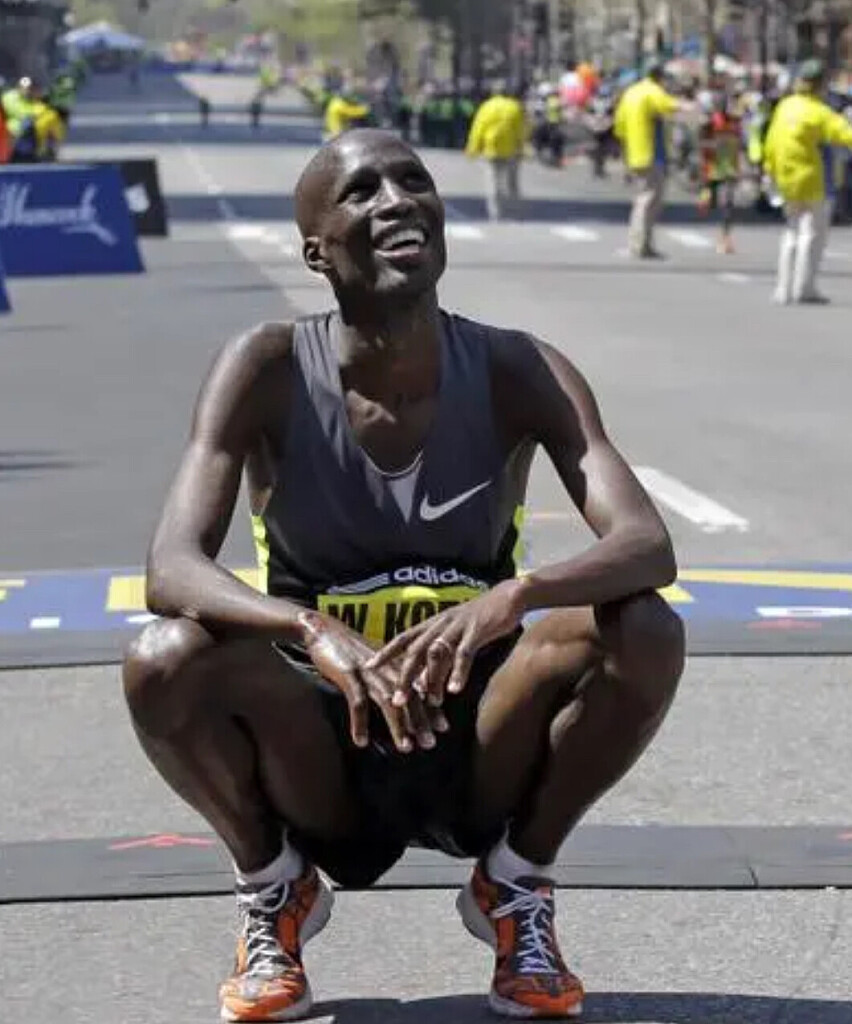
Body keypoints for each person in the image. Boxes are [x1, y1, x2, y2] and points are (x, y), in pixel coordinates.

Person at [122, 128, 685, 1023]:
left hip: (475, 737)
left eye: (412, 181)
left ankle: (516, 884)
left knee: (644, 625)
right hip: (326, 743)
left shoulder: (516, 365)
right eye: (362, 192)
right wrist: (310, 629)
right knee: (164, 657)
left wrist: (513, 598)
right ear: (317, 250)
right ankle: (275, 888)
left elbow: (646, 544)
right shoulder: (266, 366)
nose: (395, 201)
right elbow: (172, 566)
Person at [764, 59, 852, 305]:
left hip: (786, 179)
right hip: (813, 180)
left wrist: (770, 172)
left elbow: (770, 143)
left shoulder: (785, 107)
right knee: (812, 235)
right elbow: (846, 134)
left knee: (791, 233)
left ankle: (783, 289)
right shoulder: (818, 111)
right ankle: (804, 288)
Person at [614, 59, 691, 258]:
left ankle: (642, 244)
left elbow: (619, 126)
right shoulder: (651, 91)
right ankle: (639, 245)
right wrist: (689, 106)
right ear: (659, 76)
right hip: (650, 154)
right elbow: (668, 105)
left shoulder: (630, 93)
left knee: (644, 198)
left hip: (634, 153)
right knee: (649, 200)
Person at [466, 81, 529, 220]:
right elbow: (522, 130)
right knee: (513, 182)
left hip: (491, 149)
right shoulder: (514, 107)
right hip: (511, 150)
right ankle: (515, 211)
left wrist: (473, 148)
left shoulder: (487, 107)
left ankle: (496, 212)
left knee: (493, 182)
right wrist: (523, 147)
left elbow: (478, 129)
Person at [697, 91, 742, 254]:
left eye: (724, 103)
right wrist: (713, 144)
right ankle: (706, 198)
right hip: (712, 169)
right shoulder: (709, 122)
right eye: (718, 103)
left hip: (729, 169)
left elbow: (739, 144)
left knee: (728, 205)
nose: (722, 106)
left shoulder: (734, 122)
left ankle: (725, 238)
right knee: (708, 204)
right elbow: (702, 143)